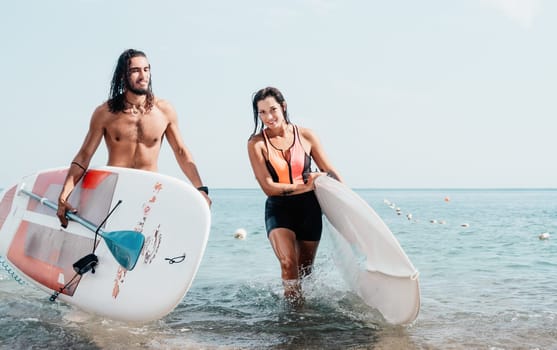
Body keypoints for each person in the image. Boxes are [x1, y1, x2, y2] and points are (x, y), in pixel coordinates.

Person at [57, 49, 210, 227]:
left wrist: (200, 189)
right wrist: (65, 193)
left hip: (150, 191)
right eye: (135, 70)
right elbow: (84, 155)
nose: (143, 75)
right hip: (116, 193)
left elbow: (181, 151)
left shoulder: (164, 110)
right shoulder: (105, 113)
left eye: (146, 69)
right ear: (123, 76)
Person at [247, 86, 343, 305]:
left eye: (272, 110)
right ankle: (294, 316)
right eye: (262, 112)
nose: (268, 117)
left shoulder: (306, 135)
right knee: (288, 263)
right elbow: (268, 187)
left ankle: (306, 320)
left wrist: (350, 202)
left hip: (309, 209)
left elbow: (329, 170)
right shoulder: (256, 143)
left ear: (283, 107)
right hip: (279, 209)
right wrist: (308, 186)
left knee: (305, 270)